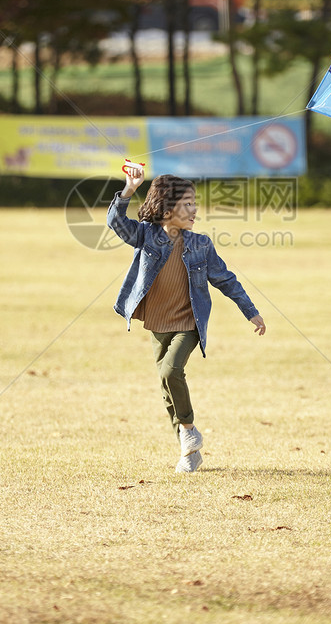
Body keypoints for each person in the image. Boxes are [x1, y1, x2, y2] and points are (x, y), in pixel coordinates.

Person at [107, 166, 266, 474]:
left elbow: (226, 280)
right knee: (168, 387)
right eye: (187, 204)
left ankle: (190, 431)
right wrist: (129, 188)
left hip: (188, 324)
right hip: (156, 323)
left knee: (171, 370)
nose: (195, 210)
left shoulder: (201, 244)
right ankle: (188, 453)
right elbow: (115, 222)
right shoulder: (145, 235)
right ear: (167, 208)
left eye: (195, 204)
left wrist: (250, 311)